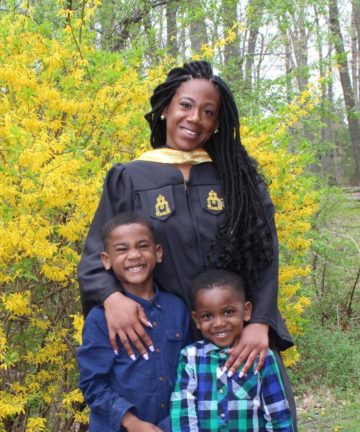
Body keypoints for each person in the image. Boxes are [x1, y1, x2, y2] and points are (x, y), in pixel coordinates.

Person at [77, 60, 297, 426]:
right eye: (186, 105)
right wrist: (111, 298)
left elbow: (265, 256)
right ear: (165, 109)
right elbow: (97, 257)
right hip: (165, 339)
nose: (195, 118)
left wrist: (259, 321)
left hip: (236, 335)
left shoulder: (236, 177)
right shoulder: (130, 177)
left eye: (208, 112)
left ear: (217, 123)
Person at [77, 212, 190, 432]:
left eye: (142, 246)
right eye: (122, 249)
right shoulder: (100, 319)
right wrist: (131, 422)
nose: (134, 255)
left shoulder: (177, 309)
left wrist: (168, 425)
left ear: (158, 253)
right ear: (106, 260)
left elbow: (189, 375)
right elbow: (92, 384)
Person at [170, 269, 293, 431]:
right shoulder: (190, 357)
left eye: (228, 312)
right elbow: (183, 414)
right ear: (196, 320)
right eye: (207, 316)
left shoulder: (261, 356)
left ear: (246, 311)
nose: (219, 323)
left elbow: (278, 414)